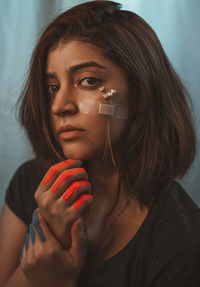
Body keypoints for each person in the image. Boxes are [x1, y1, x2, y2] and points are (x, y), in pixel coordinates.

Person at [0, 1, 199, 286]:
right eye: (52, 87)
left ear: (140, 95)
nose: (60, 105)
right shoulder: (31, 181)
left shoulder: (182, 242)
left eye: (88, 81)